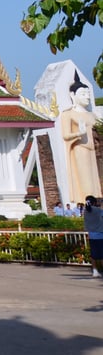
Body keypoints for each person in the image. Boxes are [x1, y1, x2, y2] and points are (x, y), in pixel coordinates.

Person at [60, 72, 100, 204]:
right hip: (80, 149)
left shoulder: (92, 115)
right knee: (86, 183)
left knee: (97, 182)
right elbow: (66, 135)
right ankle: (86, 204)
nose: (87, 97)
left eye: (88, 94)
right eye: (83, 94)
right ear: (72, 95)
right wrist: (79, 133)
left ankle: (97, 203)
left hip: (95, 151)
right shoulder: (69, 114)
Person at [84, 195, 103, 279]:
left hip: (91, 235)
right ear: (95, 202)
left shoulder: (86, 210)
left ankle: (95, 271)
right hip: (100, 234)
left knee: (94, 255)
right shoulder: (98, 210)